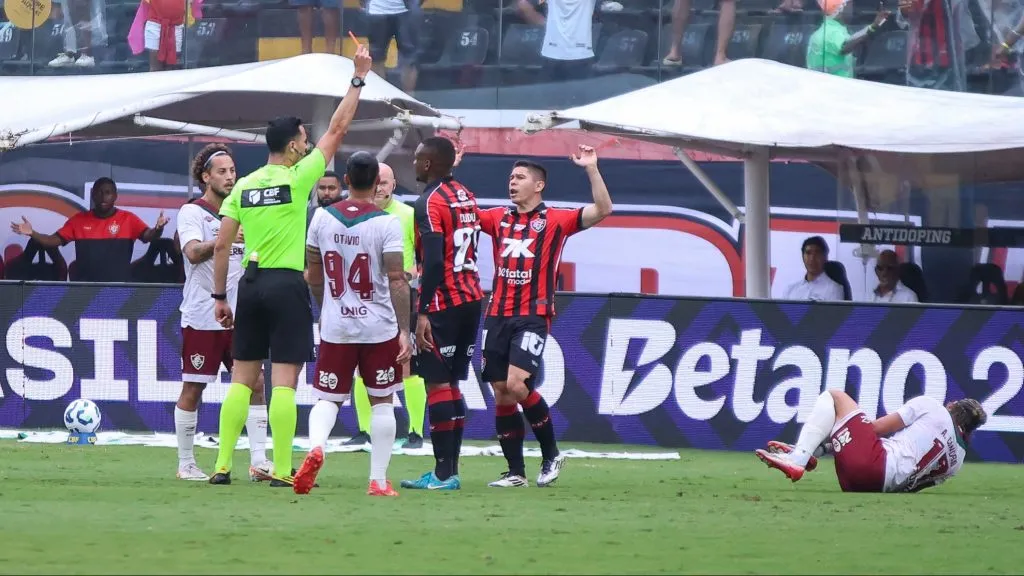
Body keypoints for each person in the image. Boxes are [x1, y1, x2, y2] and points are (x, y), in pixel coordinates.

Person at [207, 45, 373, 487]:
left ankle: (221, 465)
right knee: (283, 382)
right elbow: (338, 128)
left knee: (241, 379)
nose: (307, 143)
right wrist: (358, 78)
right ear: (293, 144)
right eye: (303, 138)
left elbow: (222, 245)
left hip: (249, 284)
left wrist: (220, 296)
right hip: (285, 284)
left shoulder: (243, 185)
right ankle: (282, 468)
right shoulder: (298, 178)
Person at [477, 146, 612, 488]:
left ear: (538, 186)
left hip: (532, 315)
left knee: (516, 384)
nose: (512, 182)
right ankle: (516, 473)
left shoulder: (556, 220)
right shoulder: (497, 217)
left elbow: (603, 209)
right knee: (501, 391)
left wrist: (591, 168)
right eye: (511, 177)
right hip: (496, 315)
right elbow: (460, 214)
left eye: (520, 178)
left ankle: (551, 453)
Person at [295, 152, 413, 496]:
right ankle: (378, 480)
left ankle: (317, 447)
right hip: (378, 326)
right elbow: (397, 279)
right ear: (377, 183)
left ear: (346, 180)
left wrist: (325, 308)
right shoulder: (387, 223)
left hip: (337, 325)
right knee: (382, 401)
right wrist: (404, 330)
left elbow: (313, 274)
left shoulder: (321, 218)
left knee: (327, 398)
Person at [173, 144, 273, 482]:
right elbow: (192, 253)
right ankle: (186, 463)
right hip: (203, 314)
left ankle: (259, 461)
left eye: (232, 171)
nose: (230, 177)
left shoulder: (243, 210)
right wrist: (227, 239)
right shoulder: (192, 212)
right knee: (194, 388)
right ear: (206, 177)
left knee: (256, 383)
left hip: (241, 314)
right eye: (222, 172)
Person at [400, 137, 484, 491]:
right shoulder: (465, 194)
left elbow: (433, 261)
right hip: (471, 296)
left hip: (443, 302)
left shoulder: (428, 202)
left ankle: (442, 473)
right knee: (451, 384)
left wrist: (422, 312)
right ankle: (450, 471)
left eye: (418, 158)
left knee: (436, 383)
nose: (414, 163)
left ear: (428, 164)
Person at [346, 161, 427, 450]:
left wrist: (411, 276)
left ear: (394, 185)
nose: (379, 187)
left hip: (400, 297)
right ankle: (364, 431)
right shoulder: (354, 215)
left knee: (407, 365)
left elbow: (424, 257)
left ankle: (416, 432)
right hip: (364, 298)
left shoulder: (408, 214)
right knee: (361, 366)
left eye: (385, 182)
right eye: (376, 181)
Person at [756, 391, 987, 492]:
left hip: (872, 465)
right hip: (871, 486)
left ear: (953, 406)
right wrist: (823, 449)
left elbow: (874, 430)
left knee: (835, 397)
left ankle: (798, 459)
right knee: (849, 424)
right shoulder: (958, 461)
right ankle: (805, 452)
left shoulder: (933, 407)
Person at [10, 177, 169, 282]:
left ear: (115, 196)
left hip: (120, 290)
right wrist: (32, 233)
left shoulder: (128, 219)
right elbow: (52, 241)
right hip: (85, 291)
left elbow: (149, 236)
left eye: (108, 193)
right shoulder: (79, 220)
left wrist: (158, 229)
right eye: (99, 192)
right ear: (93, 195)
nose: (103, 196)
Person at [806, 0, 889, 78]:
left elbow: (851, 40)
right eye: (850, 6)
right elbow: (845, 46)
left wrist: (874, 25)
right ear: (841, 9)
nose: (852, 10)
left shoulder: (831, 29)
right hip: (833, 86)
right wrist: (872, 27)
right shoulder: (831, 32)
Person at [781, 236, 844, 301]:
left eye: (817, 253)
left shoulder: (834, 289)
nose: (812, 258)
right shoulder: (790, 290)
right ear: (803, 257)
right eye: (808, 253)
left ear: (825, 257)